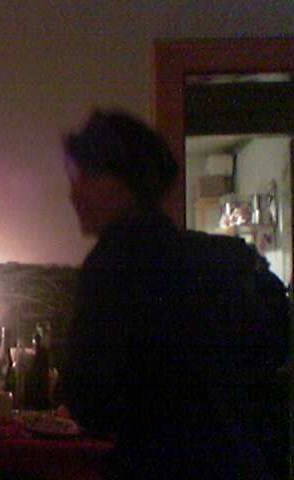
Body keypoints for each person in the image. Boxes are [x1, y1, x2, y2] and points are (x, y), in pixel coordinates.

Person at [61, 109, 288, 479]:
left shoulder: (112, 265)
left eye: (87, 176)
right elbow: (274, 355)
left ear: (128, 182)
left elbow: (91, 404)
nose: (74, 193)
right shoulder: (229, 258)